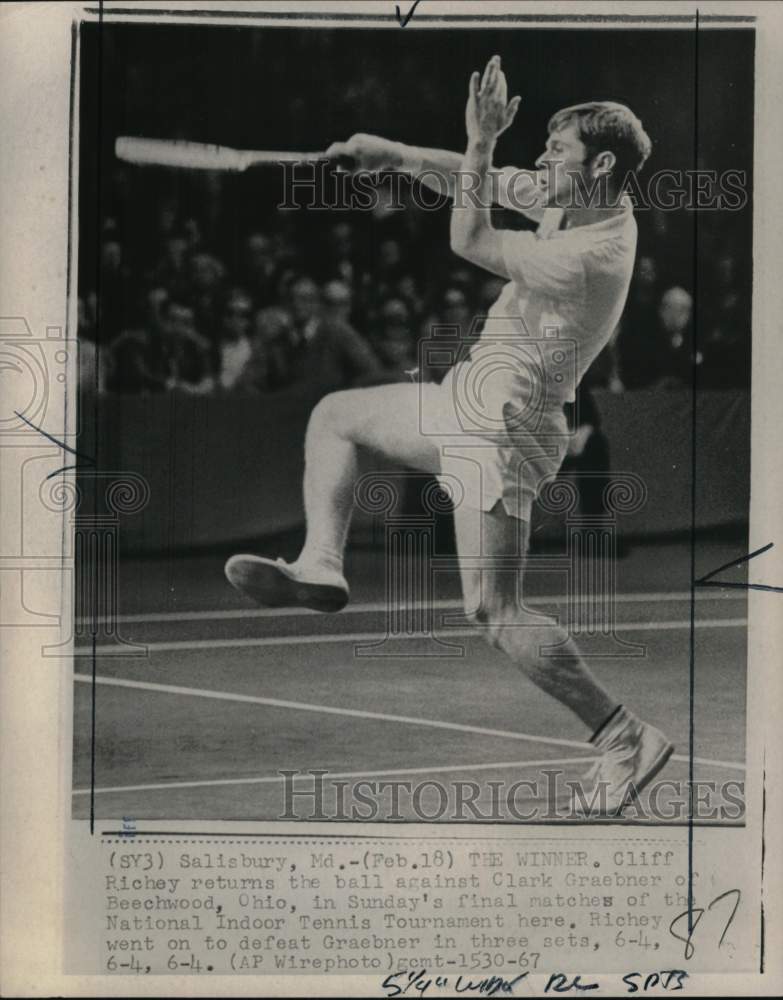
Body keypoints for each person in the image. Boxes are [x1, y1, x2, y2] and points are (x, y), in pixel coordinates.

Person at [225, 57, 672, 815]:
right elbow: (489, 182)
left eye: (554, 152)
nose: (539, 161)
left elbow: (469, 234)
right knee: (335, 414)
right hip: (468, 399)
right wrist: (395, 154)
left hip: (505, 428)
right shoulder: (576, 201)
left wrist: (476, 140)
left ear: (598, 164)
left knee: (493, 612)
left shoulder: (592, 253)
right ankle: (323, 566)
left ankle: (625, 736)